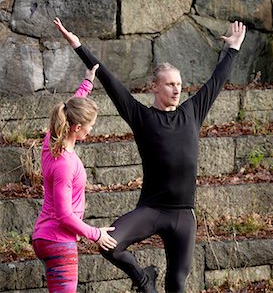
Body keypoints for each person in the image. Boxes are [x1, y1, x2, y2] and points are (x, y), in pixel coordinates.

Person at [54, 16, 246, 293]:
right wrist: (78, 46)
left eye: (179, 84)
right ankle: (144, 279)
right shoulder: (141, 117)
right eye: (169, 84)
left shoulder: (192, 112)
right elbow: (109, 80)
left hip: (183, 215)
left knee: (177, 283)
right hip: (152, 209)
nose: (177, 89)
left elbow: (217, 80)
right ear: (155, 87)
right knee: (111, 244)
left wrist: (234, 48)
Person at [32, 64, 118, 293]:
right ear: (77, 128)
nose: (91, 130)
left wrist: (87, 83)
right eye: (90, 126)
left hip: (46, 237)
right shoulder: (65, 165)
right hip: (58, 241)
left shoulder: (51, 142)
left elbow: (71, 107)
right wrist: (95, 234)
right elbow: (63, 214)